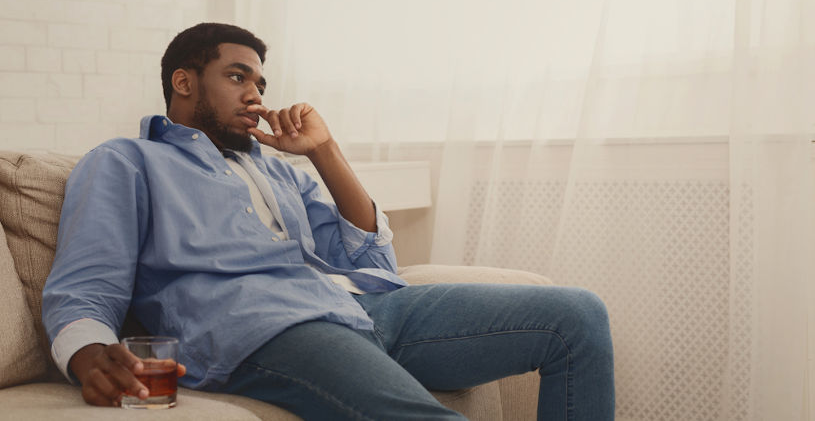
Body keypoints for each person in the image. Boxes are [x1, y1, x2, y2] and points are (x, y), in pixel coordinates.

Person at [42, 22, 615, 420]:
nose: (257, 95)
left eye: (261, 83)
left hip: (364, 308)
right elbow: (85, 288)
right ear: (184, 82)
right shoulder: (126, 161)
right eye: (238, 77)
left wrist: (324, 151)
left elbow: (374, 264)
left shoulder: (276, 170)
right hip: (267, 327)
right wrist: (88, 355)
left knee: (576, 317)